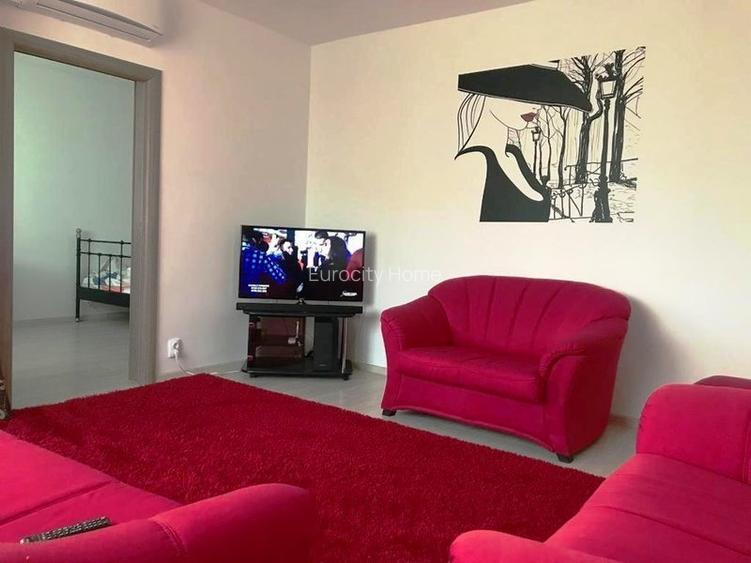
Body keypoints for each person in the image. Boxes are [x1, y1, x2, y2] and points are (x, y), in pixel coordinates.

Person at [456, 64, 591, 222]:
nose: (537, 106)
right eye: (524, 93)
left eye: (540, 97)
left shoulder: (514, 154)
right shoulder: (474, 161)